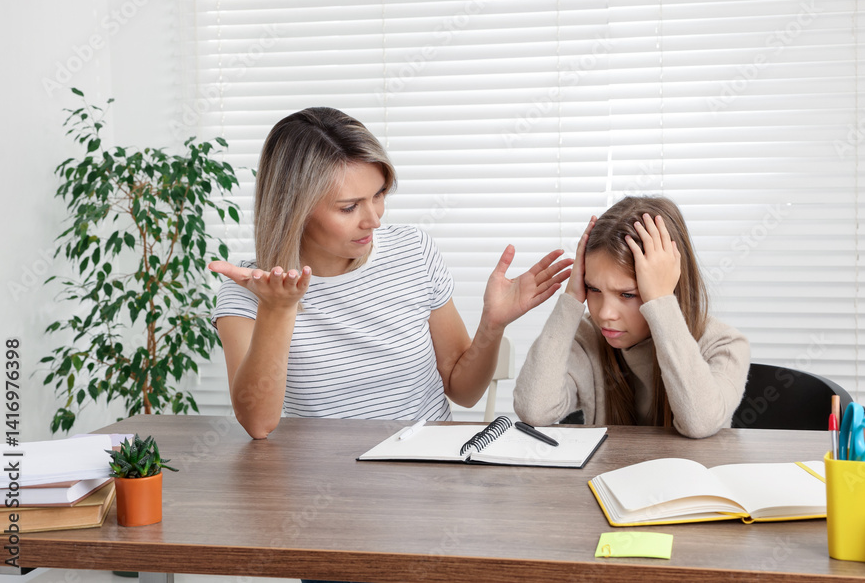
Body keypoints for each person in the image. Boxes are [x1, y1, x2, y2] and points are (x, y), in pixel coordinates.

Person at [210, 107, 572, 440]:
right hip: (324, 479)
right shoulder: (251, 290)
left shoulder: (414, 251)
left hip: (424, 467)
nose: (374, 219)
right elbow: (258, 423)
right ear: (294, 209)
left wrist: (492, 325)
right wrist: (277, 310)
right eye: (349, 207)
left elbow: (463, 391)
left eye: (379, 195)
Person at [513, 196, 750, 438]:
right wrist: (571, 299)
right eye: (593, 289)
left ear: (670, 286)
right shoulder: (588, 337)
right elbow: (534, 410)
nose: (604, 313)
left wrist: (661, 302)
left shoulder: (724, 345)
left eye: (627, 294)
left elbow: (700, 423)